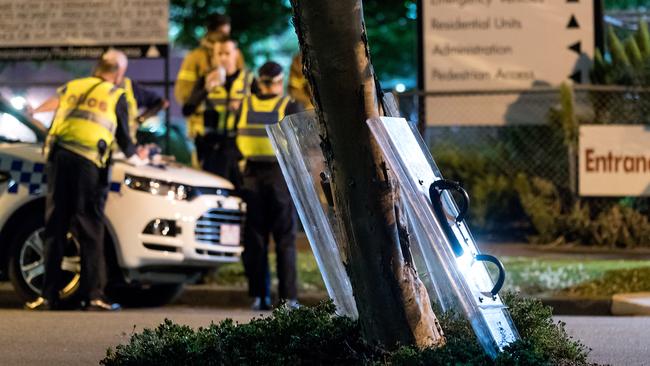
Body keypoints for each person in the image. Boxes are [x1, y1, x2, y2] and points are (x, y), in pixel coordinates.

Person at [26, 50, 148, 311]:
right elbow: (125, 140)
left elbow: (50, 107)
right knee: (90, 227)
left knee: (55, 226)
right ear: (118, 73)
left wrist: (34, 111)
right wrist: (139, 159)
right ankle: (93, 296)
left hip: (58, 159)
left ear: (97, 68)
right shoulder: (116, 94)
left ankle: (48, 296)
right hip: (88, 164)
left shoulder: (73, 86)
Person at [236, 61, 302, 310]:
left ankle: (259, 295)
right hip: (279, 175)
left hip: (251, 175)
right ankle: (288, 299)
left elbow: (236, 140)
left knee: (256, 240)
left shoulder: (245, 105)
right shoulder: (288, 105)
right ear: (279, 81)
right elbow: (297, 144)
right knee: (285, 239)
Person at [182, 36, 254, 187]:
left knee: (241, 193)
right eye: (219, 54)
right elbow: (187, 109)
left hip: (239, 149)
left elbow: (260, 114)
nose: (223, 58)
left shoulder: (249, 79)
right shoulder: (205, 80)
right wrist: (206, 89)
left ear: (236, 54)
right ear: (214, 56)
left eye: (227, 53)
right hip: (211, 148)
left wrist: (242, 108)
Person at [175, 13, 239, 139]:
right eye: (221, 32)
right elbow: (183, 95)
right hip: (202, 128)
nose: (225, 36)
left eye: (227, 32)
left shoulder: (235, 55)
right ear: (210, 32)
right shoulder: (195, 58)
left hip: (231, 128)